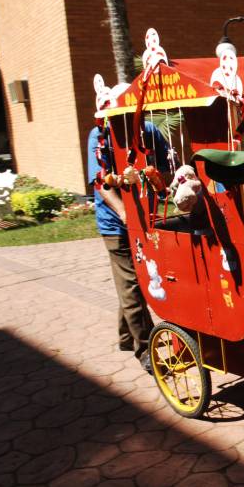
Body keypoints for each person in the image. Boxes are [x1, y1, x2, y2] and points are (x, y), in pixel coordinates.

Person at [87, 119, 170, 373]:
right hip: (115, 225)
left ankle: (126, 337)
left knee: (136, 281)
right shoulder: (99, 136)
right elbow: (100, 184)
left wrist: (158, 183)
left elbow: (165, 166)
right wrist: (124, 212)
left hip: (145, 220)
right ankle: (145, 349)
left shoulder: (149, 130)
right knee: (133, 285)